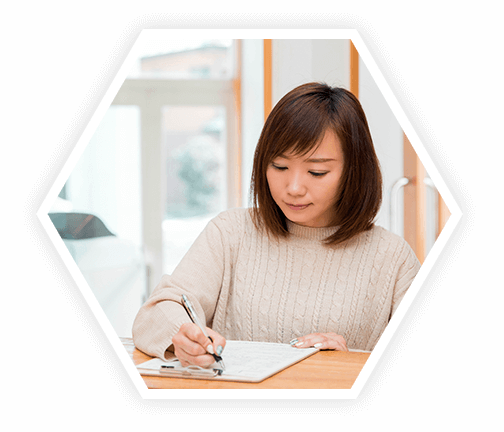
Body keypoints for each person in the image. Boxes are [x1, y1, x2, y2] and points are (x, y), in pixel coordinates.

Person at [132, 82, 420, 368]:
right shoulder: (231, 232)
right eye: (279, 166)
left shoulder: (393, 258)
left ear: (354, 171)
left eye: (316, 172)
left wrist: (352, 364)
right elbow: (155, 314)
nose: (293, 187)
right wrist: (181, 336)